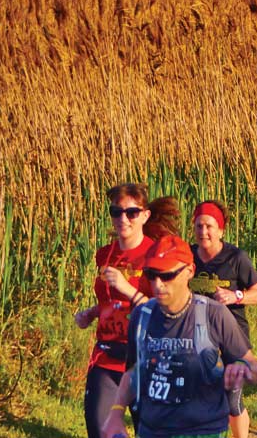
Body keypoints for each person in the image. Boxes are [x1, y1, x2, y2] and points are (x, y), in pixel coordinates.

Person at [102, 240, 257, 438]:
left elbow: (254, 368)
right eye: (152, 275)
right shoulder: (142, 316)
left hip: (202, 431)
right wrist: (116, 412)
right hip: (152, 430)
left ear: (190, 271)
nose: (158, 284)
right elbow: (134, 371)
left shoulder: (213, 314)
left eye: (167, 276)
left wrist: (242, 367)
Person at [75, 184, 163, 438]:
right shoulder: (106, 254)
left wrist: (126, 287)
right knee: (100, 429)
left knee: (149, 431)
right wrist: (91, 314)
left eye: (131, 213)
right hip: (107, 353)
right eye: (116, 212)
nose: (122, 219)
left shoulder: (155, 256)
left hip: (145, 354)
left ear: (145, 215)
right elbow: (108, 300)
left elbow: (164, 310)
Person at [190, 201, 257, 438]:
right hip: (199, 335)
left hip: (232, 335)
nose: (204, 232)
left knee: (232, 398)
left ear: (221, 230)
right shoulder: (188, 256)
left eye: (209, 226)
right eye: (199, 226)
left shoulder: (236, 258)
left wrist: (235, 296)